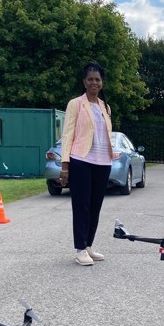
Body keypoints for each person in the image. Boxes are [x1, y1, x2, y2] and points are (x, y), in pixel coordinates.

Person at [59, 61, 118, 266]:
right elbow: (68, 135)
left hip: (103, 162)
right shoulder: (75, 104)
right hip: (81, 160)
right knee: (81, 206)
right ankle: (80, 248)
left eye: (98, 79)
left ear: (102, 82)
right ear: (84, 82)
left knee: (95, 206)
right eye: (90, 79)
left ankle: (89, 245)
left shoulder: (105, 106)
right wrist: (65, 165)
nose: (94, 82)